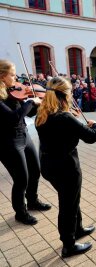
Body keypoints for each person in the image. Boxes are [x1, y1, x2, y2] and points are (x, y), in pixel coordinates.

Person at [35, 77, 96, 257]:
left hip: (49, 166)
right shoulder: (64, 117)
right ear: (65, 95)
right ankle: (68, 245)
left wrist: (74, 120)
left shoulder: (42, 112)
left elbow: (60, 130)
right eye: (70, 92)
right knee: (68, 205)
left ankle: (78, 228)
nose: (72, 94)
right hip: (66, 168)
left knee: (71, 199)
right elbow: (91, 137)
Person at [0, 59, 51, 225]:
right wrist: (30, 102)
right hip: (8, 142)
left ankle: (33, 201)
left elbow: (27, 115)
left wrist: (35, 104)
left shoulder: (14, 91)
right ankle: (20, 213)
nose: (16, 79)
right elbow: (13, 118)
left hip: (24, 135)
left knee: (35, 171)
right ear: (2, 77)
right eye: (13, 75)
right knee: (21, 178)